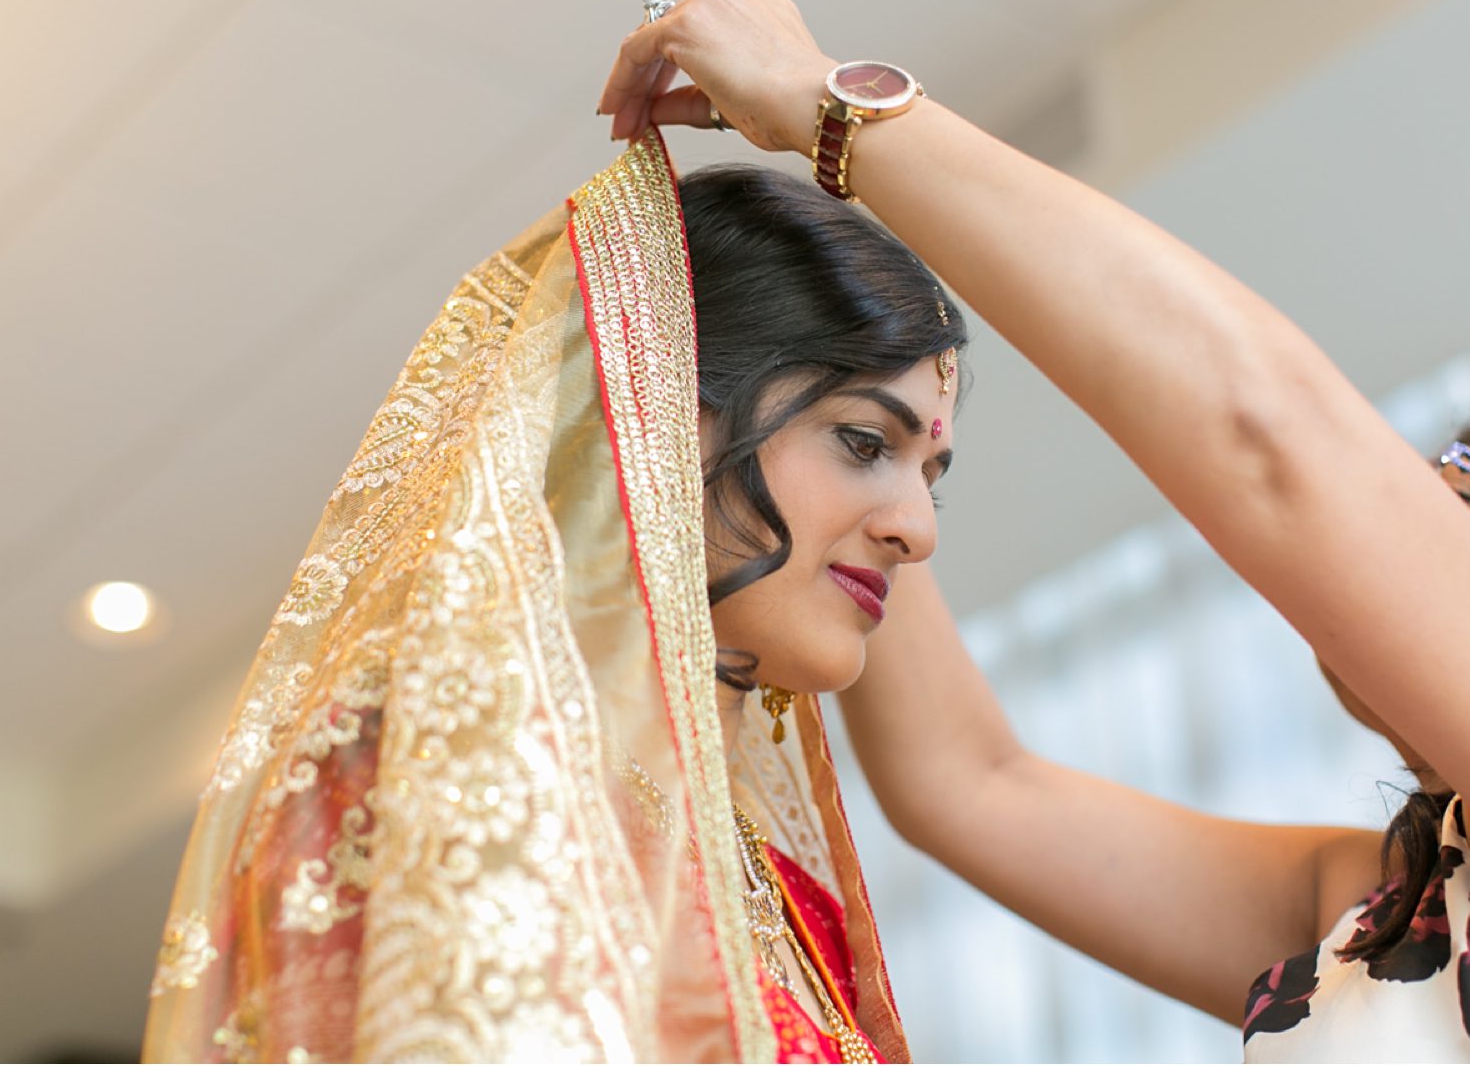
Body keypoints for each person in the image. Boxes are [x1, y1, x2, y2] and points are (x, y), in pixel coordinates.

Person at [597, 0, 1470, 1062]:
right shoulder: (1386, 913)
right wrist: (840, 416)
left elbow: (1267, 440)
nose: (1398, 523)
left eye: (1453, 503)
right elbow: (971, 782)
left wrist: (829, 106)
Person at [142, 128, 964, 1062]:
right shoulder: (418, 766)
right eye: (864, 442)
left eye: (930, 479)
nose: (918, 529)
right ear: (660, 416)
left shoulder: (793, 902)